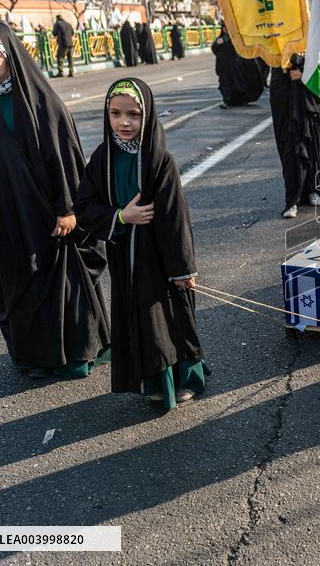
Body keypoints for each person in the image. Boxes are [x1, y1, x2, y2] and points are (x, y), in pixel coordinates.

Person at [0, 21, 111, 378]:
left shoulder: (41, 100)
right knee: (16, 281)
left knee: (60, 280)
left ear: (9, 55)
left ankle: (76, 354)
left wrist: (69, 208)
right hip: (0, 216)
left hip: (47, 214)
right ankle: (33, 357)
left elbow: (66, 157)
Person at [75, 78, 207, 409]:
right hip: (124, 257)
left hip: (160, 259)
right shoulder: (102, 157)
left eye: (133, 114)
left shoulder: (159, 159)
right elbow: (85, 208)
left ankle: (188, 379)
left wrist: (182, 268)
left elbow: (176, 220)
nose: (124, 122)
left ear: (147, 115)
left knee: (173, 318)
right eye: (115, 113)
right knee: (141, 321)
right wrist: (121, 216)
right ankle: (154, 383)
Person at [269, 53, 320, 219]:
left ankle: (313, 190)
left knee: (312, 146)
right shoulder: (277, 37)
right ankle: (292, 201)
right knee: (290, 150)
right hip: (285, 99)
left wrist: (304, 75)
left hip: (309, 99)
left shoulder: (313, 34)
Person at [211, 24, 266, 108]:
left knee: (239, 84)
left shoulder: (238, 38)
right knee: (226, 85)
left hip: (237, 67)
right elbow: (215, 50)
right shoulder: (221, 39)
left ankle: (242, 100)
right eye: (224, 27)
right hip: (225, 68)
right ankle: (227, 101)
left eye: (227, 27)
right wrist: (218, 44)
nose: (226, 29)